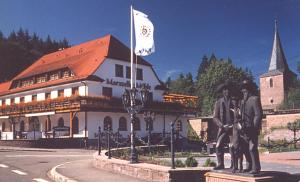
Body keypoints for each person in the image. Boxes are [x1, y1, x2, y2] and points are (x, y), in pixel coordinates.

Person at [240, 80, 263, 174]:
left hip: (252, 128)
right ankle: (249, 165)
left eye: (245, 90)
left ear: (249, 90)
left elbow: (258, 114)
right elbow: (241, 115)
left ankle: (256, 167)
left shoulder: (254, 99)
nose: (243, 92)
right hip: (244, 129)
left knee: (252, 148)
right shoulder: (242, 102)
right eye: (242, 90)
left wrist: (254, 127)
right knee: (245, 148)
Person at [213, 80, 235, 170]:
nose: (227, 91)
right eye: (225, 90)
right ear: (222, 91)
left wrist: (233, 125)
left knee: (232, 146)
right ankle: (220, 164)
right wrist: (221, 125)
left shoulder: (234, 102)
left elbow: (239, 115)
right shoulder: (218, 102)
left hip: (233, 128)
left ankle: (234, 164)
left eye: (228, 89)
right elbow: (215, 117)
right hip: (222, 128)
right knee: (218, 145)